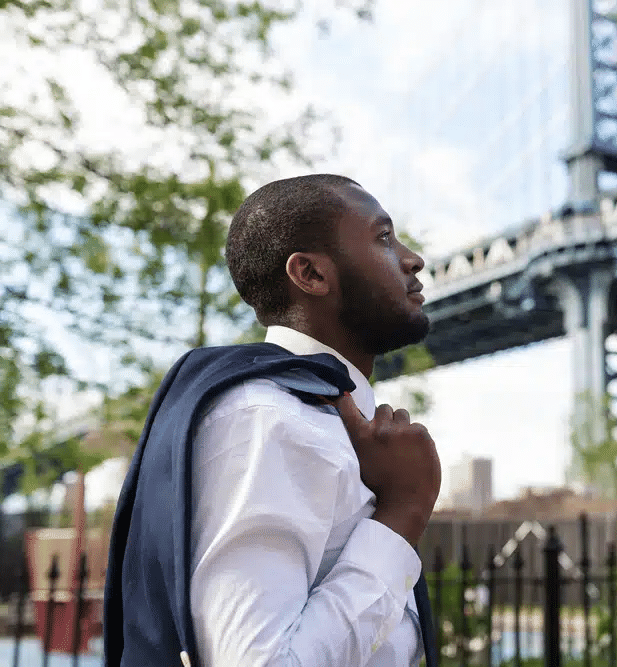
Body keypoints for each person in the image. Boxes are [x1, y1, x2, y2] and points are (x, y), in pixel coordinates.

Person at [103, 174, 442, 667]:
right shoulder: (267, 417)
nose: (413, 259)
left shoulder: (319, 415)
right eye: (383, 237)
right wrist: (402, 513)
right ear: (310, 274)